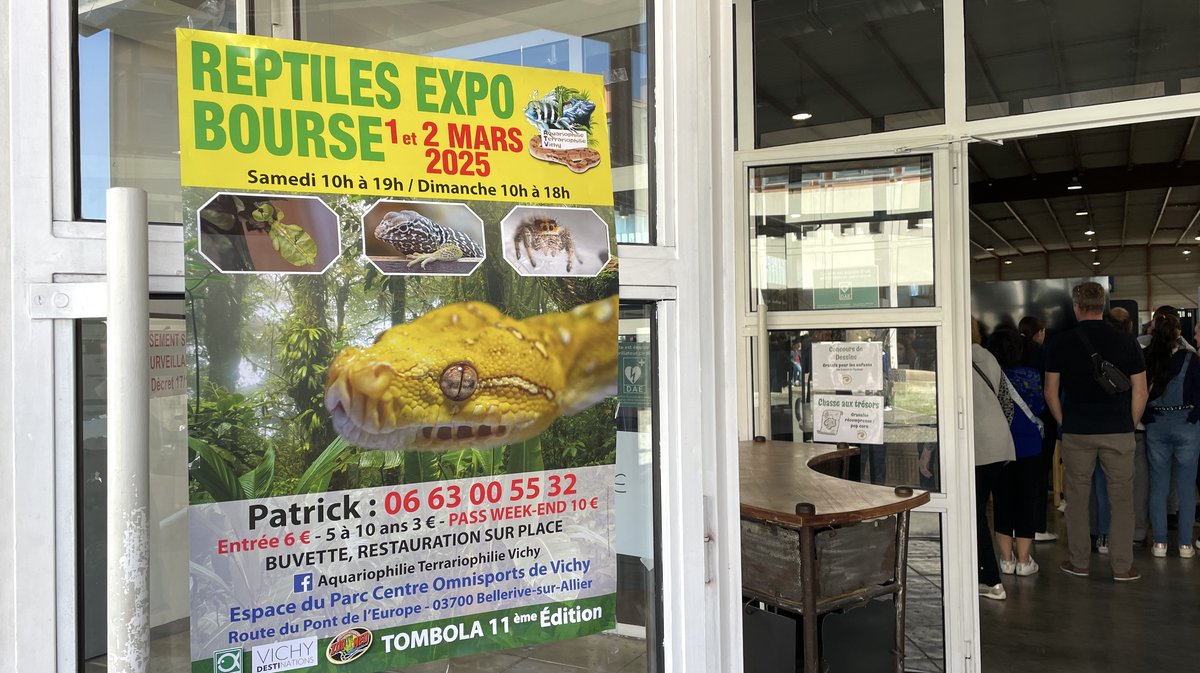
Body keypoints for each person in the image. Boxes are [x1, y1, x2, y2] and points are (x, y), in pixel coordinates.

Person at [1045, 282, 1147, 582]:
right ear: (1102, 306)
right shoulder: (1126, 342)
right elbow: (1140, 392)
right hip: (1118, 429)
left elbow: (1051, 392)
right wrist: (1127, 423)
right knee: (1122, 500)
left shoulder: (1061, 343)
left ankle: (1079, 563)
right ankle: (1122, 566)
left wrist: (1065, 422)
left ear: (1077, 307)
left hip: (1078, 430)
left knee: (1077, 498)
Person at [1141, 311, 1200, 559]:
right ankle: (1185, 544)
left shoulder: (1146, 357)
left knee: (1159, 486)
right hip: (1186, 424)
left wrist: (1148, 418)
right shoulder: (1191, 358)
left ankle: (1160, 543)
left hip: (1156, 425)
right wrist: (1193, 418)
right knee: (1186, 487)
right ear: (1178, 331)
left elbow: (1139, 393)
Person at [988, 326, 1044, 577]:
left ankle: (1006, 559)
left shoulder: (989, 376)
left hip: (999, 446)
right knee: (1026, 502)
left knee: (1002, 501)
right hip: (1030, 445)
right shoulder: (1031, 375)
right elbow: (1040, 407)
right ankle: (1024, 561)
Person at [972, 318, 1017, 600]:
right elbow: (1006, 402)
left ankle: (990, 579)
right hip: (1000, 444)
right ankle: (998, 567)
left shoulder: (950, 357)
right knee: (986, 511)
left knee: (972, 516)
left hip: (976, 448)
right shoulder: (987, 355)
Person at [1019, 315, 1058, 542]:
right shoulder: (1045, 353)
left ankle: (1017, 527)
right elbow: (1051, 390)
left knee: (1017, 475)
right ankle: (1037, 527)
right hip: (1043, 421)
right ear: (1040, 332)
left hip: (1015, 422)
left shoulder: (1012, 352)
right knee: (1040, 475)